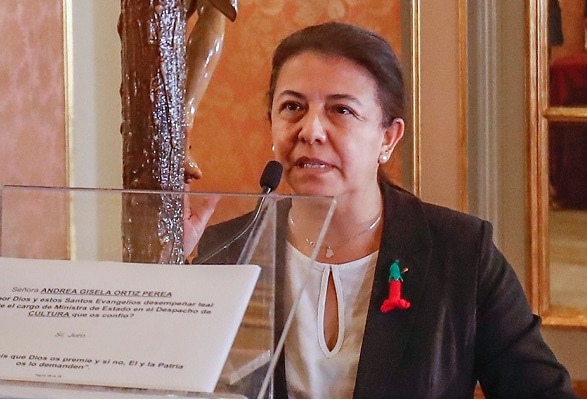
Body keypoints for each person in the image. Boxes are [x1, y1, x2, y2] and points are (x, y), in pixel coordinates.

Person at [186, 21, 578, 398]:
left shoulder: (461, 253)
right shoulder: (226, 251)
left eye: (341, 110)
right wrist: (170, 262)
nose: (311, 131)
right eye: (292, 107)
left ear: (388, 137)